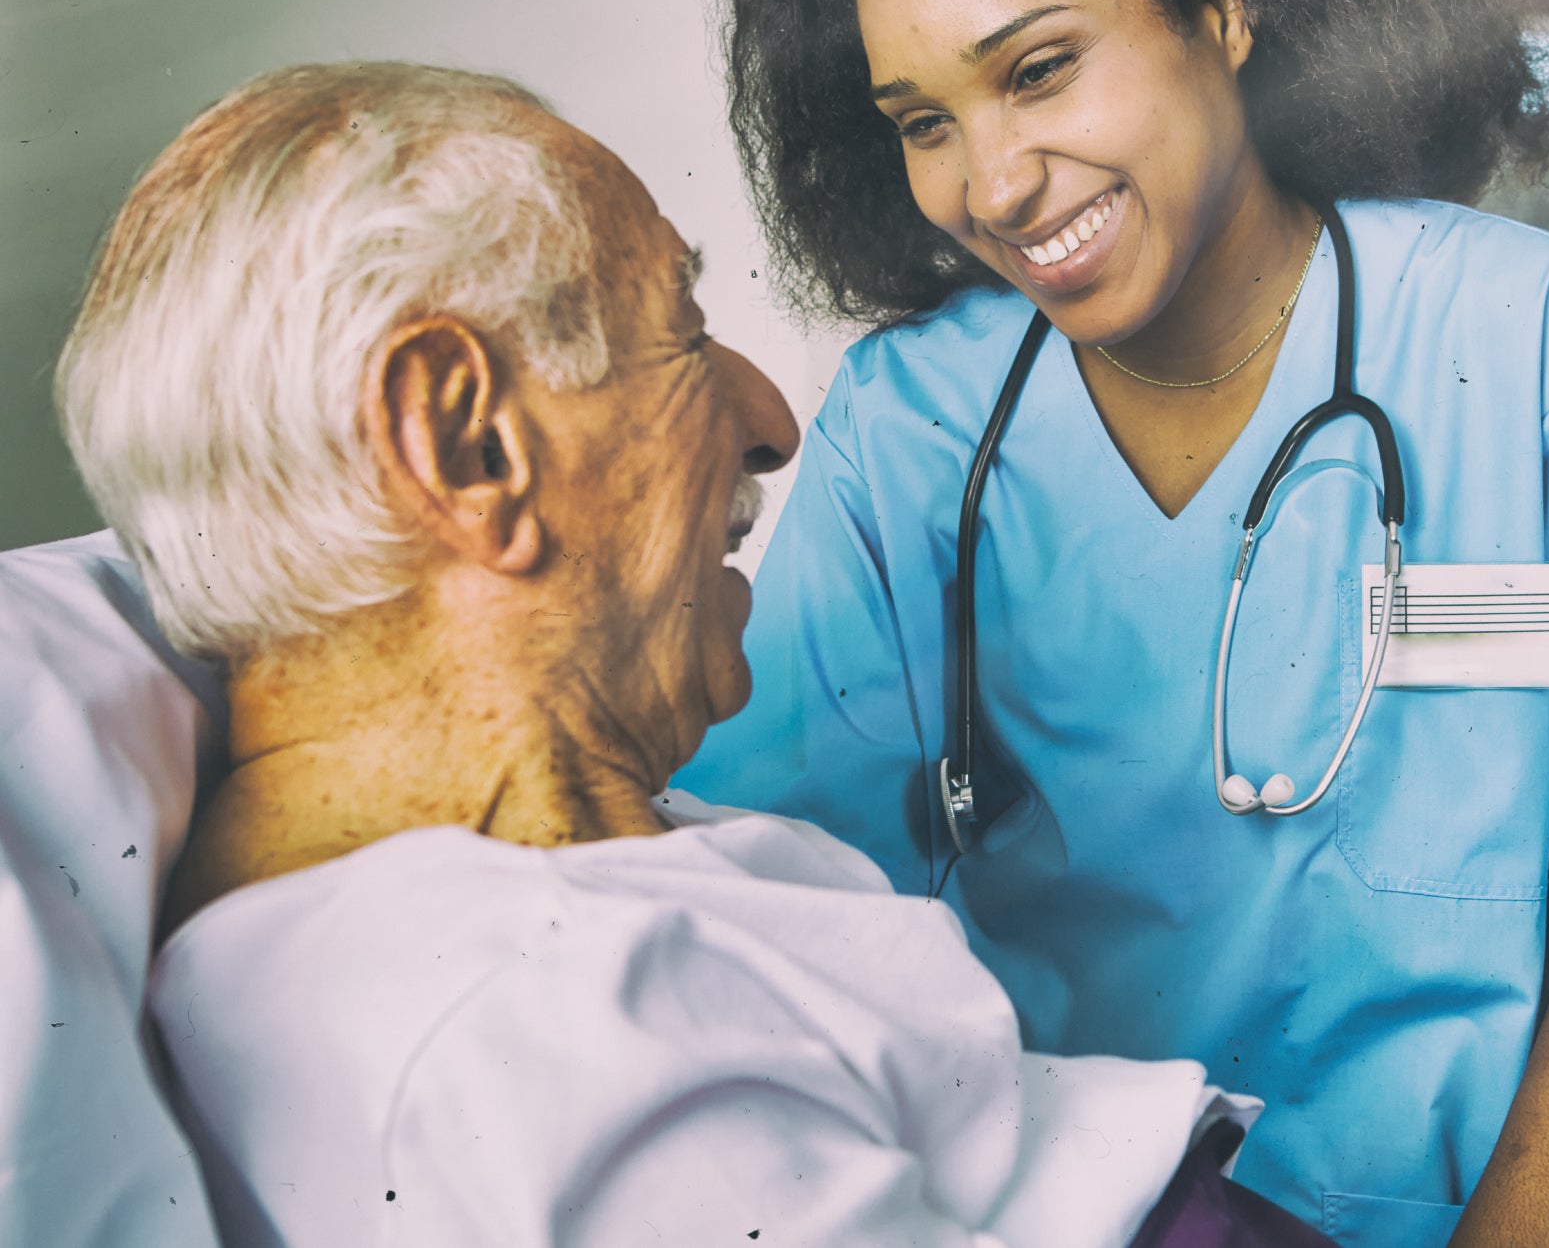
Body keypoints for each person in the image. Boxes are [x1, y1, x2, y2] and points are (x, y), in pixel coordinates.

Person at [673, 0, 1549, 1245]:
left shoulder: (1545, 346)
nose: (992, 181)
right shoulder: (910, 431)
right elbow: (785, 893)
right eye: (923, 121)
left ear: (1223, 3)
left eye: (1039, 69)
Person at [56, 61, 1338, 1248]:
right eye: (677, 327)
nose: (772, 424)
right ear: (465, 444)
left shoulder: (517, 896)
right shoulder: (525, 1030)